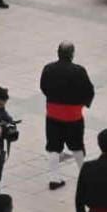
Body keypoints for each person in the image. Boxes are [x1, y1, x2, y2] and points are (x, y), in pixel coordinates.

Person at [39, 42, 94, 191]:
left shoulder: (48, 68)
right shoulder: (79, 71)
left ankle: (54, 179)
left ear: (58, 52)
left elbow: (43, 87)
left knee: (53, 146)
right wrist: (83, 104)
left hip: (53, 113)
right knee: (77, 145)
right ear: (72, 54)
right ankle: (84, 177)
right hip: (73, 115)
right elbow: (89, 90)